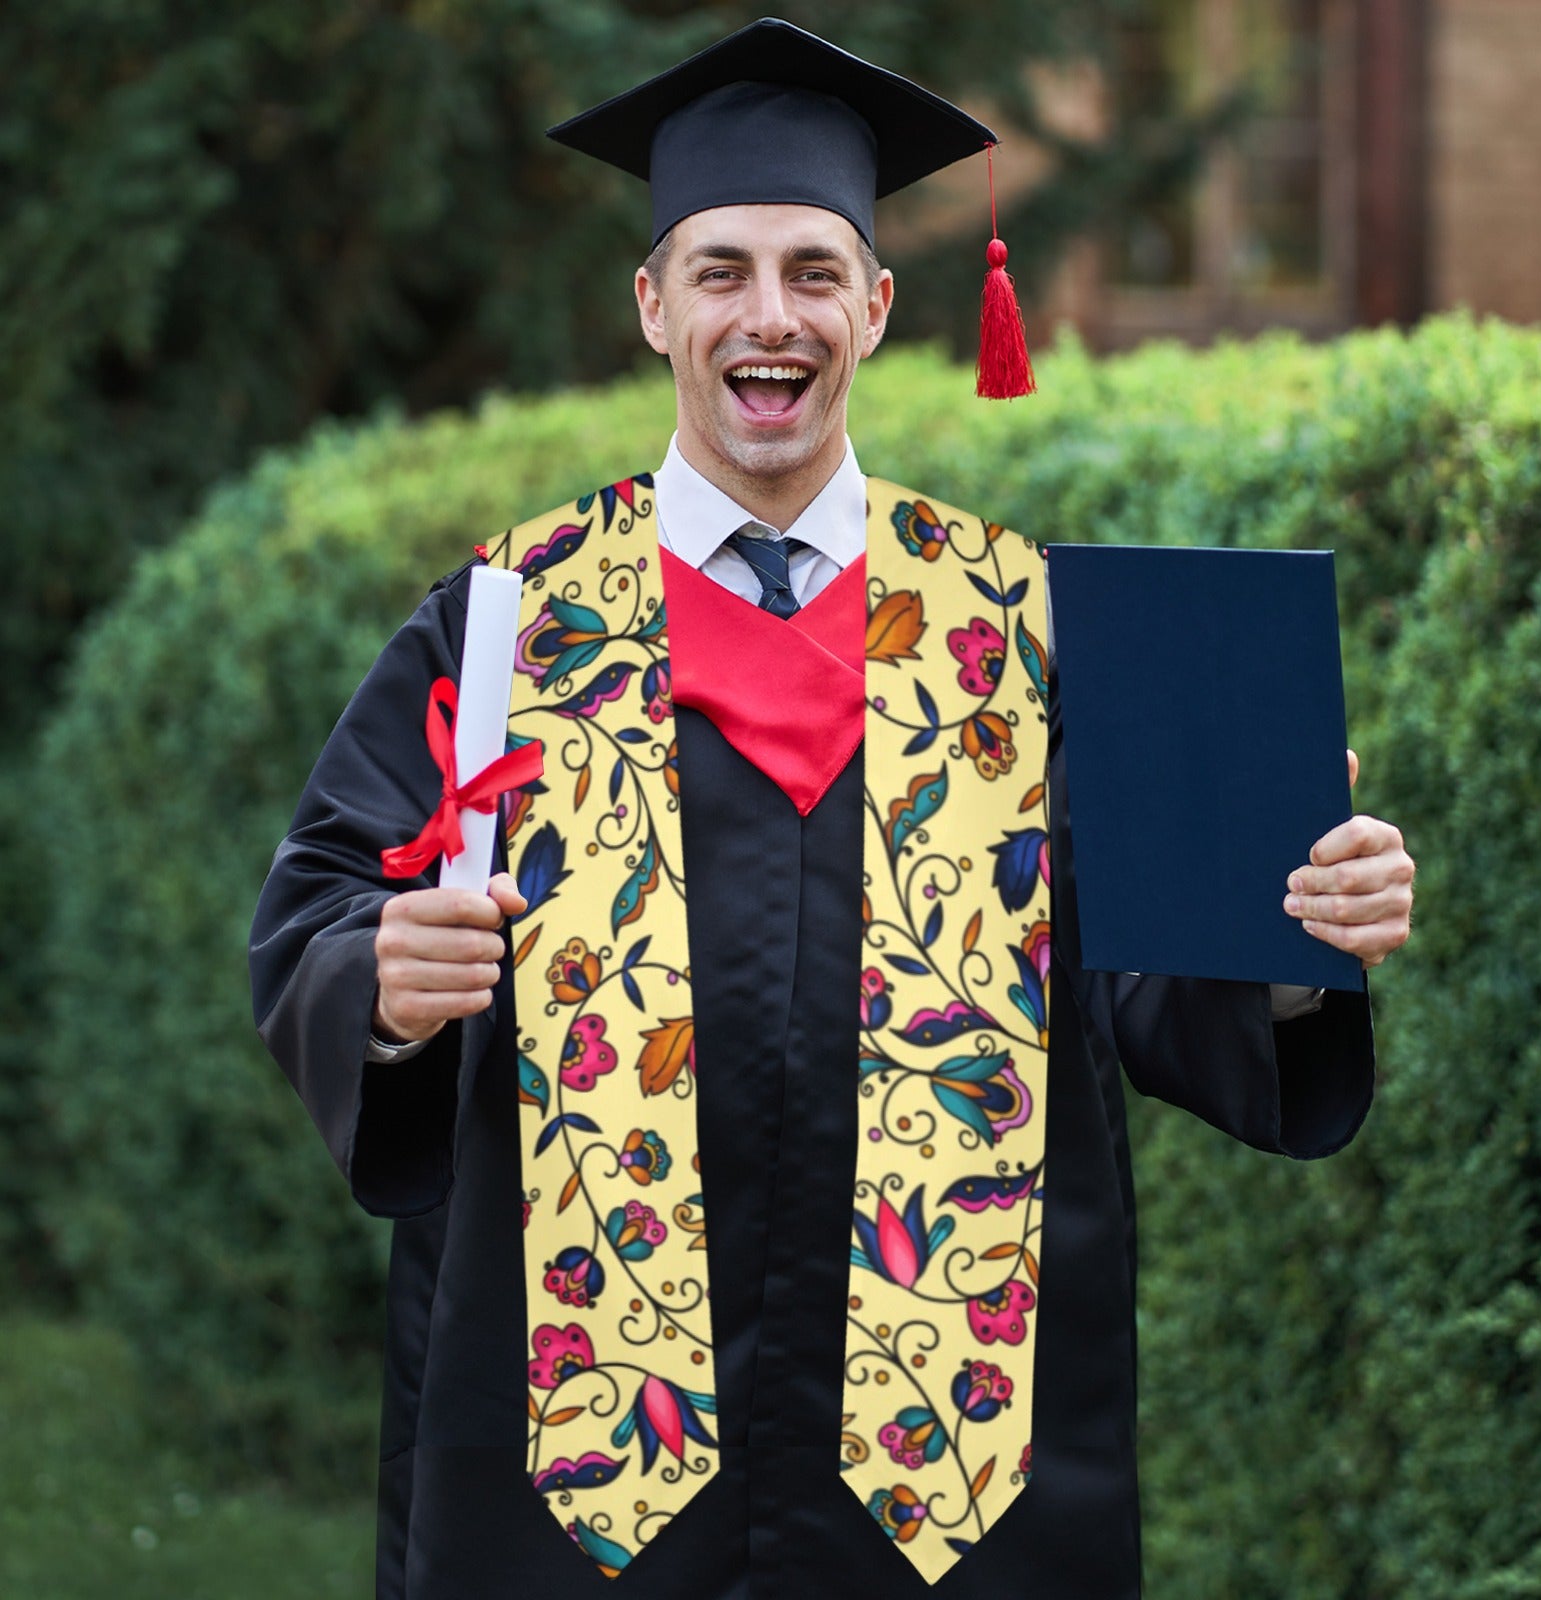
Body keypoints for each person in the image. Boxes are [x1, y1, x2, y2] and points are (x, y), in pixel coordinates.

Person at [249, 19, 1414, 1600]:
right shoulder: (515, 623)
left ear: (875, 306)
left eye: (813, 272)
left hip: (953, 1464)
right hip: (587, 1459)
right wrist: (381, 982)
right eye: (720, 271)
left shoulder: (1027, 627)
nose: (769, 317)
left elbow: (1150, 976)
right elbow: (324, 904)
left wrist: (1293, 940)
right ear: (653, 306)